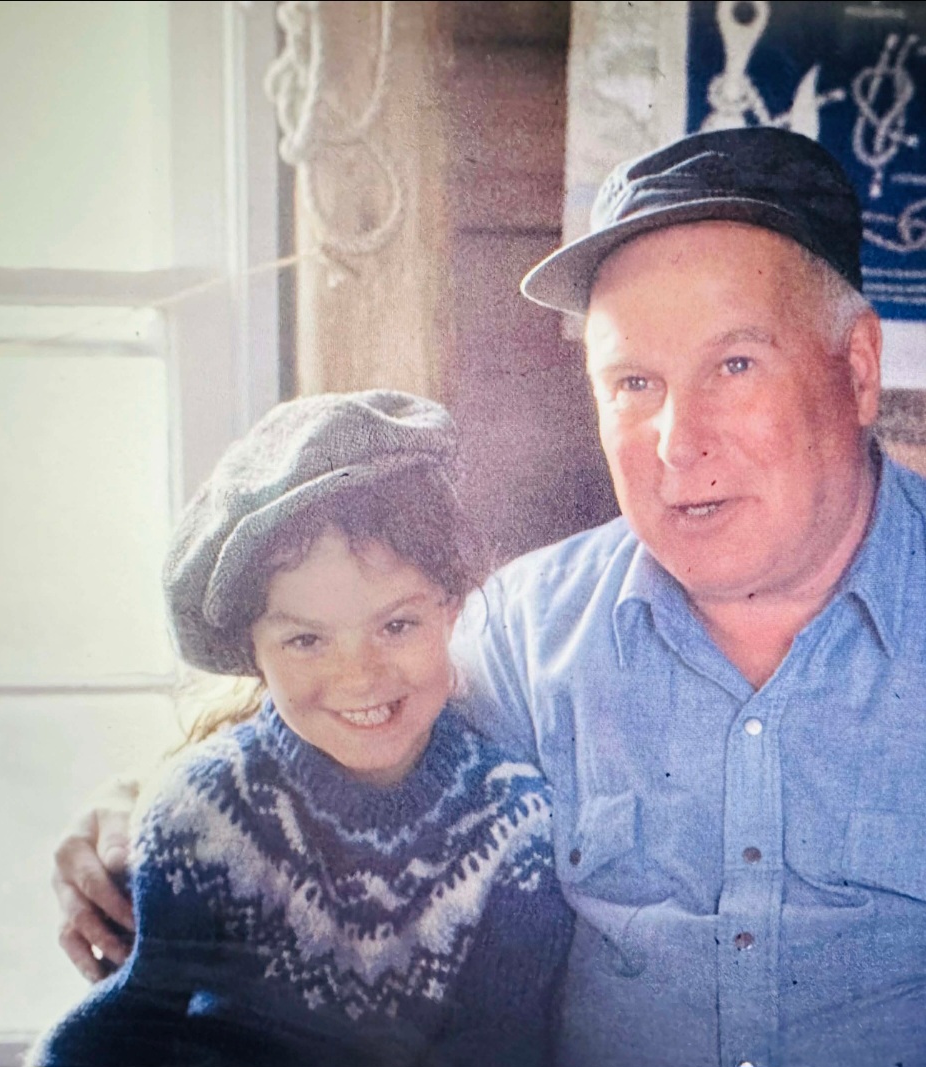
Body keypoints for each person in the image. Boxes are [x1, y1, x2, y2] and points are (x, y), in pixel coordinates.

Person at [53, 129, 926, 1066]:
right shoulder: (522, 632)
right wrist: (142, 808)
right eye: (633, 382)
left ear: (856, 370)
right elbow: (342, 725)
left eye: (734, 364)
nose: (678, 440)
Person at [35, 391, 572, 1067]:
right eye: (306, 640)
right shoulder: (201, 809)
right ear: (251, 653)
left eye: (396, 624)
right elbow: (127, 1027)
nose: (360, 675)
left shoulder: (515, 822)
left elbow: (501, 1047)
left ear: (453, 609)